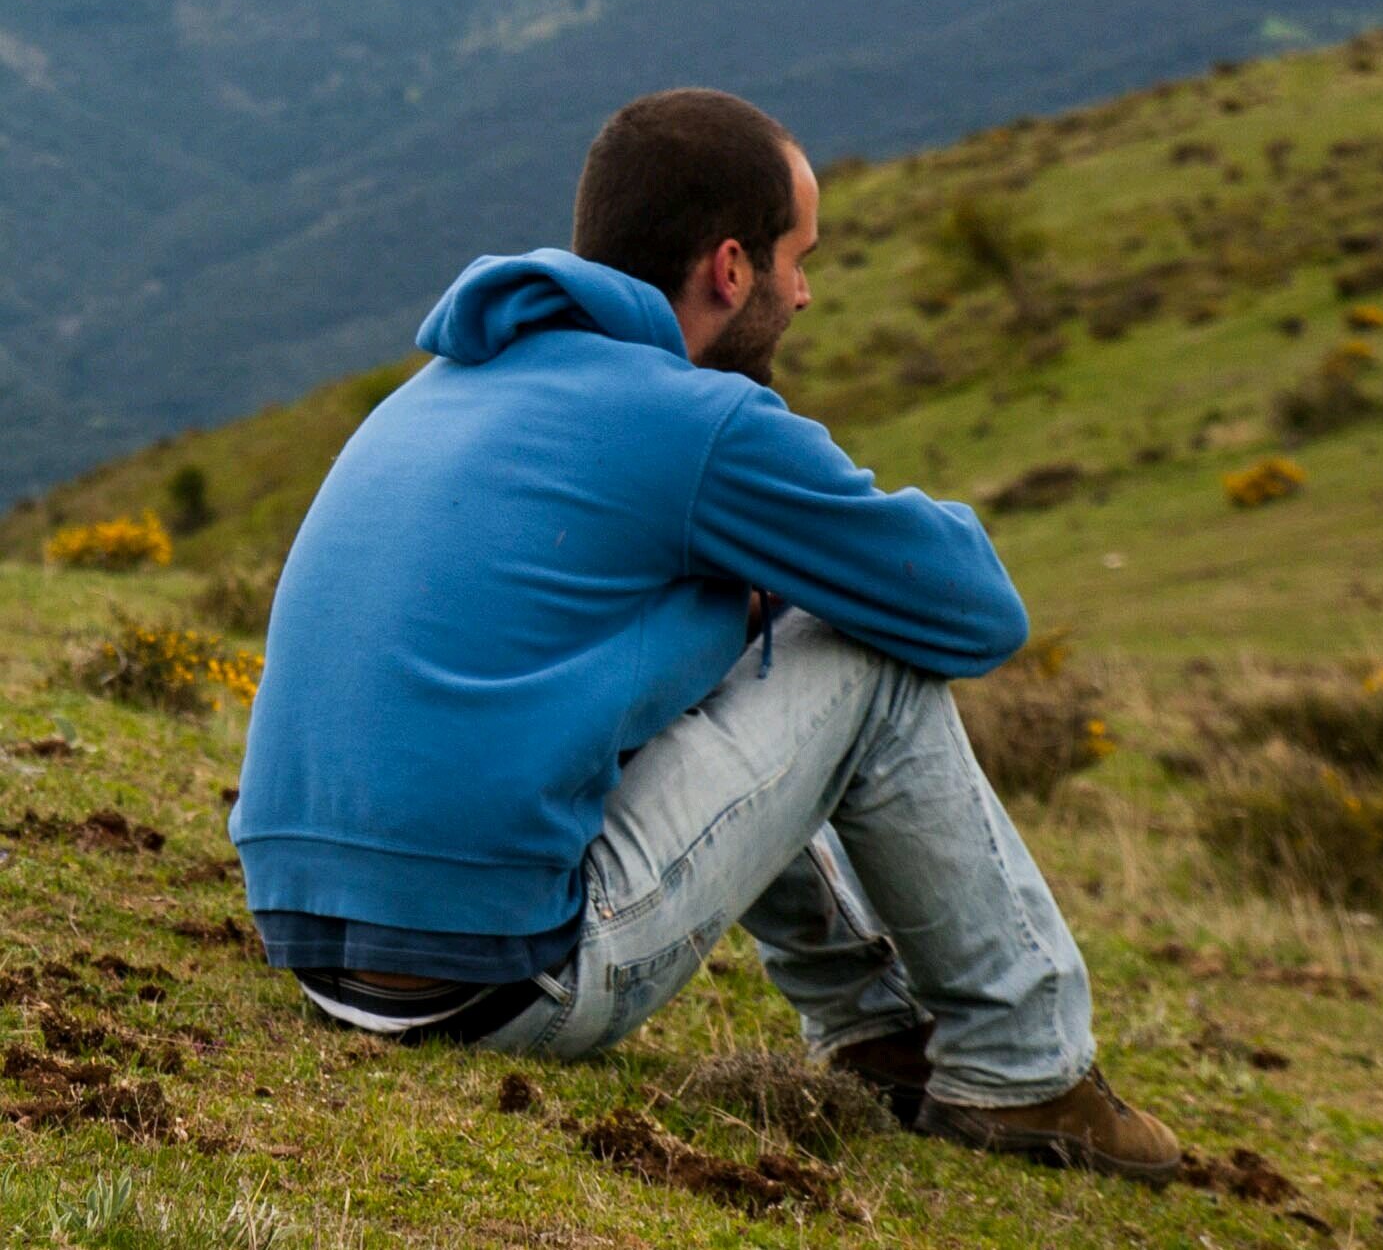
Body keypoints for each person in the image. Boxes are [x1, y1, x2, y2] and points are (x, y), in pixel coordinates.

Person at [230, 87, 1180, 1184]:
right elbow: (972, 609)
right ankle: (1022, 1070)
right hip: (498, 984)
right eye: (797, 257)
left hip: (308, 946)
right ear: (731, 268)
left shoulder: (439, 387)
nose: (807, 290)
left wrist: (733, 597)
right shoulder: (696, 422)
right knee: (861, 648)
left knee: (728, 613)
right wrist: (786, 571)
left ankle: (879, 1031)